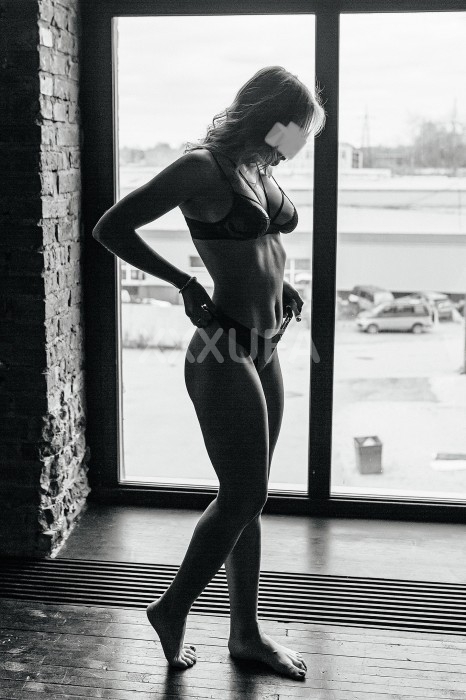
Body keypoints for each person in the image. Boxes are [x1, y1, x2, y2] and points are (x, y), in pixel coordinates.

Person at [93, 65, 326, 680]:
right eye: (297, 130)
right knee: (245, 494)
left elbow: (260, 250)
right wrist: (183, 282)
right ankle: (171, 609)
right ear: (269, 117)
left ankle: (245, 633)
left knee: (250, 496)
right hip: (221, 348)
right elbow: (111, 227)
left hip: (265, 346)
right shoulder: (202, 167)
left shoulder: (260, 170)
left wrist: (281, 287)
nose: (299, 144)